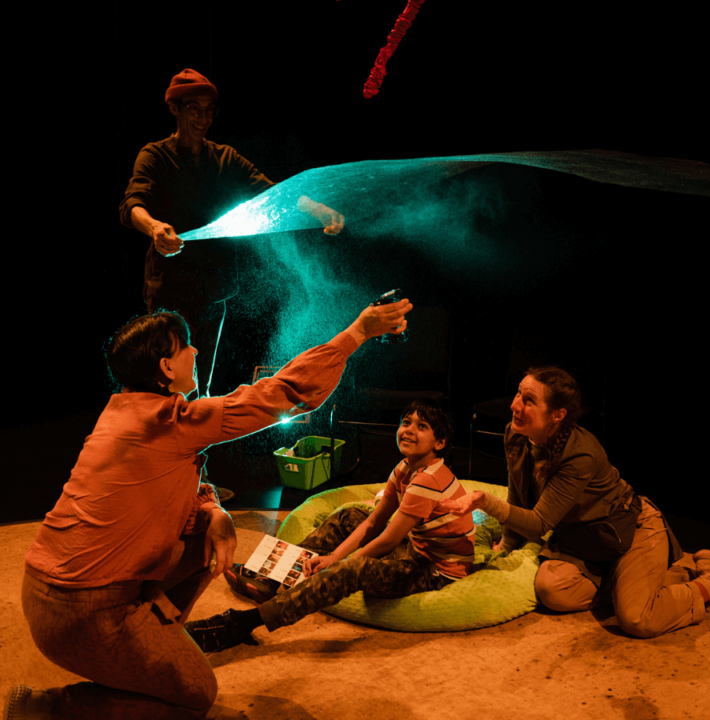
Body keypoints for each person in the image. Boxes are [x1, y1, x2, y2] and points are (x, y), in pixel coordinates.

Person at [5, 298, 411, 720]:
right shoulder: (170, 421)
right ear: (166, 367)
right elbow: (282, 394)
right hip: (84, 611)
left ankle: (153, 643)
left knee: (203, 537)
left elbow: (177, 490)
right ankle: (47, 708)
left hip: (47, 595)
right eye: (186, 346)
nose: (196, 353)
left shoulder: (121, 411)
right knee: (197, 694)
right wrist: (357, 333)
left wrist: (216, 512)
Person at [440, 366, 710, 639]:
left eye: (529, 401)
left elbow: (538, 524)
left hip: (629, 531)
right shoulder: (516, 434)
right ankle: (636, 583)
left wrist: (484, 501)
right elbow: (518, 494)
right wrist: (507, 547)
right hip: (583, 540)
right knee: (551, 589)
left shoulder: (579, 454)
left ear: (557, 415)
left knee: (637, 619)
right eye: (518, 394)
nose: (515, 405)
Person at [119, 68, 344, 399]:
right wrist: (154, 228)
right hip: (171, 289)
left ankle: (198, 449)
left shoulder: (224, 158)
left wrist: (317, 208)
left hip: (214, 288)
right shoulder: (155, 155)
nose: (203, 117)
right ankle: (166, 446)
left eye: (209, 110)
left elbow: (272, 192)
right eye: (194, 108)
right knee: (166, 384)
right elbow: (131, 204)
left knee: (201, 385)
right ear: (175, 109)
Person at [185, 398, 475, 652]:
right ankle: (277, 576)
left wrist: (340, 564)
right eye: (406, 422)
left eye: (421, 426)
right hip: (416, 547)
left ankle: (245, 622)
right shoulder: (404, 468)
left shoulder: (428, 480)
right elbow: (374, 521)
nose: (409, 429)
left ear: (440, 443)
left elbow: (387, 539)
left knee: (353, 569)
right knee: (348, 516)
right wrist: (333, 557)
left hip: (435, 570)